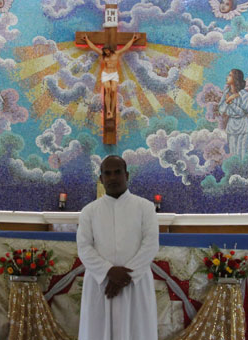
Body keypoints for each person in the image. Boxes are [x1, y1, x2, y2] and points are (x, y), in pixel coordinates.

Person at [76, 155, 159, 340]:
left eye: (117, 172)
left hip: (134, 283)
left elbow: (151, 244)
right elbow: (84, 247)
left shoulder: (145, 207)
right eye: (107, 173)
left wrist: (125, 276)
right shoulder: (89, 211)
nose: (112, 177)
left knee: (137, 331)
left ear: (126, 175)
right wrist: (108, 272)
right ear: (101, 179)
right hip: (101, 284)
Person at [82, 34, 140, 119]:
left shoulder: (116, 54)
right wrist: (87, 40)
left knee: (113, 91)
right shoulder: (102, 54)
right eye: (104, 51)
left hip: (114, 74)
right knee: (107, 90)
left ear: (110, 49)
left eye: (107, 50)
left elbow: (126, 47)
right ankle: (108, 110)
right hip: (106, 74)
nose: (106, 52)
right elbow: (93, 47)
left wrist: (133, 39)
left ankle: (112, 110)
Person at [219, 68, 248, 159]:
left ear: (235, 78)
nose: (227, 77)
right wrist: (227, 101)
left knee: (244, 153)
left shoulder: (245, 95)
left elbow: (244, 113)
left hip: (244, 126)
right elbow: (221, 110)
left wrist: (231, 102)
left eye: (230, 75)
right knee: (233, 154)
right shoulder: (226, 93)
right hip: (231, 125)